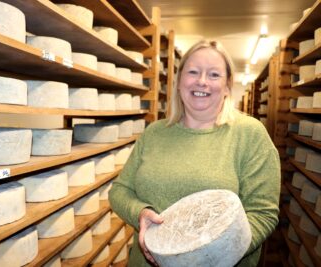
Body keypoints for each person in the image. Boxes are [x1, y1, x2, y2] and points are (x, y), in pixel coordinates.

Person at [109, 40, 281, 266]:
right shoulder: (155, 133)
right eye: (193, 72)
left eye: (214, 75)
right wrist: (140, 212)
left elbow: (262, 213)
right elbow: (120, 191)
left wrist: (209, 256)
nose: (202, 81)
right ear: (179, 81)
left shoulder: (249, 134)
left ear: (228, 86)